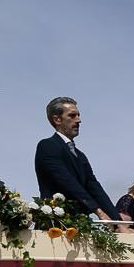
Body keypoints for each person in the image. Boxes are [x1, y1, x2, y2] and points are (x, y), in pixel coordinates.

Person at [34, 97, 127, 226]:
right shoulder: (47, 146)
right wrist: (98, 212)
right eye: (72, 116)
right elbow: (66, 181)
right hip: (55, 226)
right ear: (57, 119)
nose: (78, 120)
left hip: (80, 225)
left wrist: (117, 222)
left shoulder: (80, 156)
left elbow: (94, 187)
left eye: (78, 115)